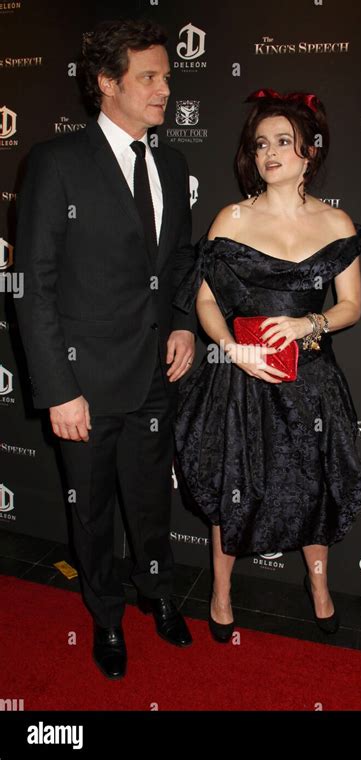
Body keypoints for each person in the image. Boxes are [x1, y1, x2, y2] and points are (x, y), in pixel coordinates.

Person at [14, 19, 197, 679]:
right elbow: (34, 287)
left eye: (167, 76)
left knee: (149, 501)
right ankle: (107, 617)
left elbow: (180, 260)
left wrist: (183, 323)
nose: (164, 89)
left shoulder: (172, 165)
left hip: (153, 374)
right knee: (90, 512)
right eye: (148, 76)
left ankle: (158, 593)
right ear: (106, 84)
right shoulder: (56, 163)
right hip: (83, 383)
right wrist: (58, 388)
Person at [172, 87, 361, 642]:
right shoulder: (231, 218)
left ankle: (319, 588)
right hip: (242, 375)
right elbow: (208, 300)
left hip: (310, 378)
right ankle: (220, 593)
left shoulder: (336, 222)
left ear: (310, 150)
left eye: (283, 141)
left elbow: (352, 306)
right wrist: (232, 348)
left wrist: (311, 324)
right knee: (233, 484)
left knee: (315, 484)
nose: (270, 153)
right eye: (261, 144)